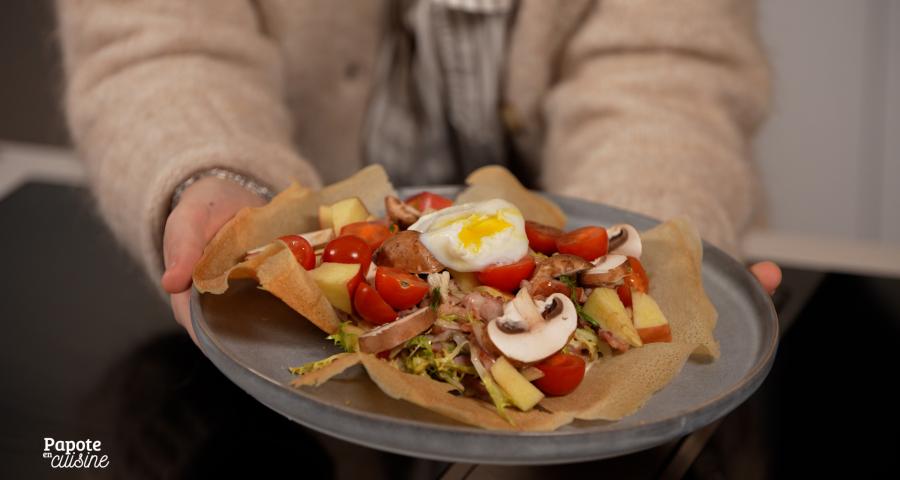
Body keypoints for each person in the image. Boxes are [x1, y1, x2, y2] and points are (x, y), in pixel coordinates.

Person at [58, 0, 781, 342]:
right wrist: (218, 177)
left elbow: (666, 70)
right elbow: (156, 38)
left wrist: (635, 251)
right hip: (284, 340)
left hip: (556, 287)